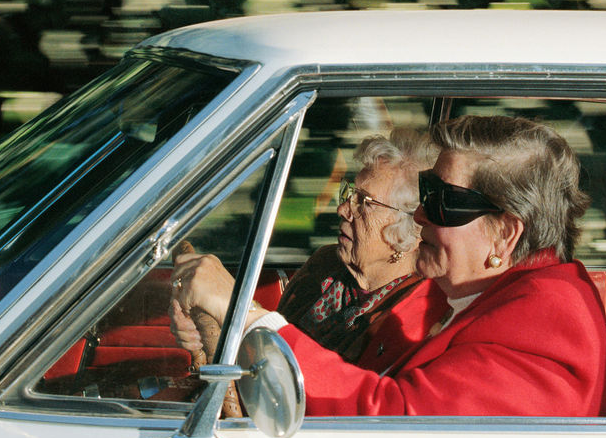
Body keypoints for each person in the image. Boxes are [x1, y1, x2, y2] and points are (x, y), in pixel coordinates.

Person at [179, 114, 606, 417]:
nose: (419, 216)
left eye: (441, 202)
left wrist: (247, 318)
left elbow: (394, 417)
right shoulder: (485, 300)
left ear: (505, 234)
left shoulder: (547, 319)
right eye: (425, 193)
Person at [168, 130, 436, 363]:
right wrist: (209, 335)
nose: (343, 209)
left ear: (411, 228)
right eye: (349, 194)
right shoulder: (326, 264)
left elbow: (333, 392)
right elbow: (268, 353)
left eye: (364, 202)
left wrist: (236, 310)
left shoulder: (413, 315)